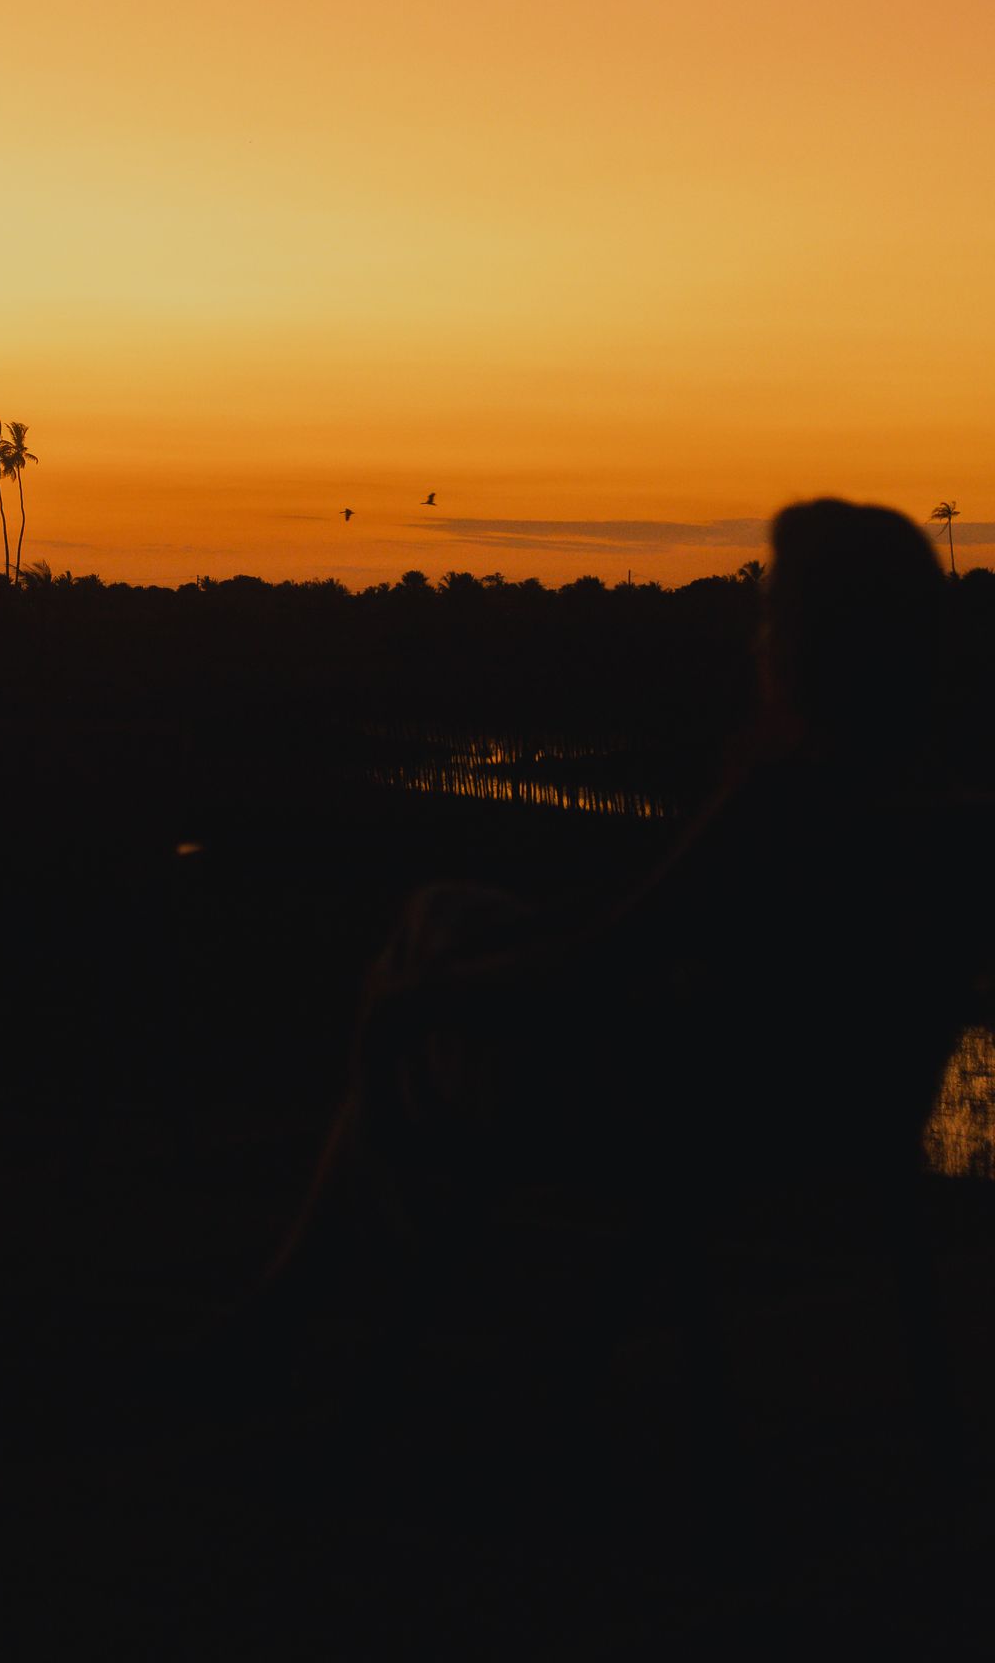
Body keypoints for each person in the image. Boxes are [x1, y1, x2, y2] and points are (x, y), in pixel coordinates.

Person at [276, 501, 978, 1317]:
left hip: (689, 1124)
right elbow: (647, 915)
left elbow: (607, 956)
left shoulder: (782, 801)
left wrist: (426, 996)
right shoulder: (947, 808)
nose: (758, 642)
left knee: (419, 981)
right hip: (841, 1120)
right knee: (453, 918)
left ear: (809, 648)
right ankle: (311, 1302)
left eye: (771, 617)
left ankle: (313, 1305)